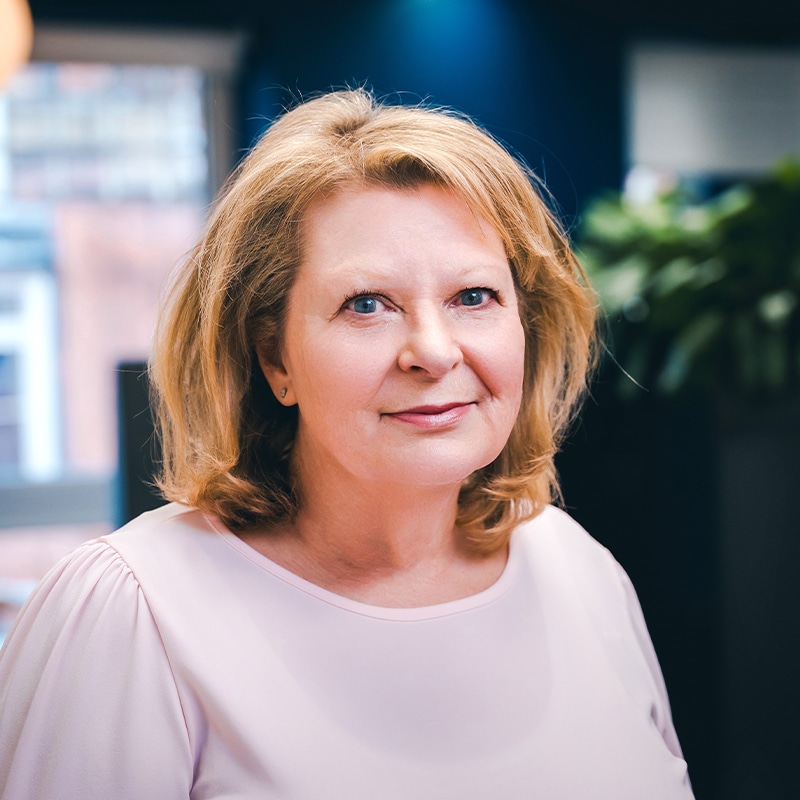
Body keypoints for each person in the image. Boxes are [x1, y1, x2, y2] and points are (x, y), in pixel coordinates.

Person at [0, 88, 694, 799]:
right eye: (367, 305)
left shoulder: (579, 571)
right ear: (274, 359)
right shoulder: (133, 612)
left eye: (474, 297)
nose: (432, 350)